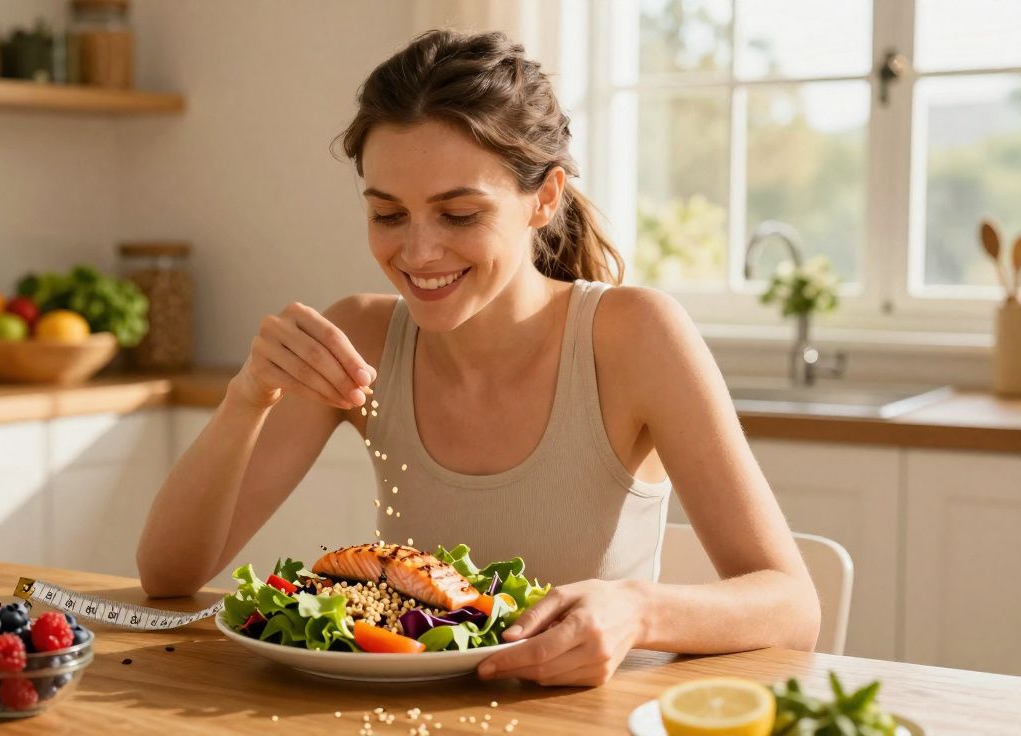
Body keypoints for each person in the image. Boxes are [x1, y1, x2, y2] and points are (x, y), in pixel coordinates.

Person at [137, 29, 820, 687]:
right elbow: (168, 575)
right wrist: (247, 397)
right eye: (388, 214)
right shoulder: (362, 342)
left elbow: (794, 608)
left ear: (543, 199)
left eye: (458, 215)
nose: (417, 253)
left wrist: (638, 612)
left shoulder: (633, 337)